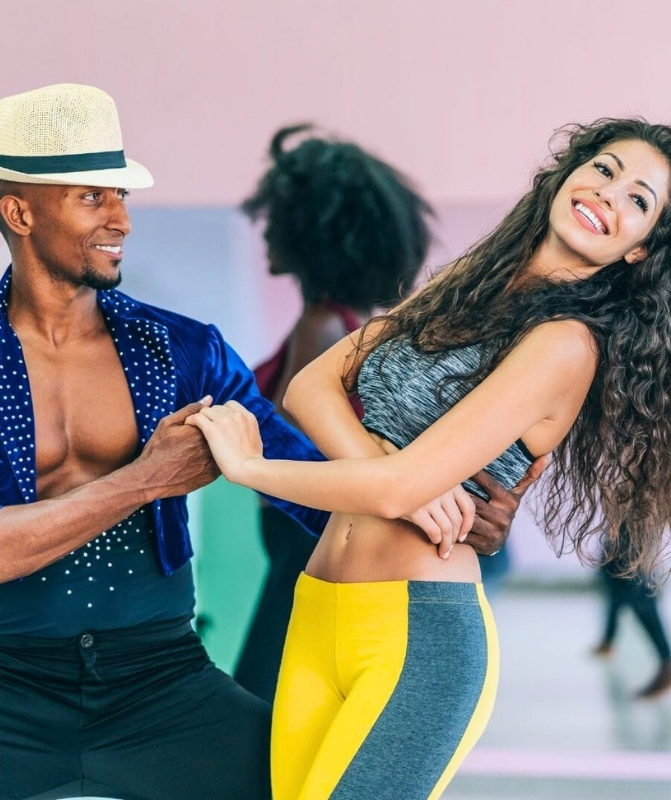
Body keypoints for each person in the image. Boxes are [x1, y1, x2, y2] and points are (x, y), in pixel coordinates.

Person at [0, 84, 522, 800]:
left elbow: (310, 489)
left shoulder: (182, 349)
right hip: (3, 689)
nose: (120, 217)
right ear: (20, 211)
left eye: (120, 194)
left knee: (297, 786)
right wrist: (144, 480)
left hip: (165, 687)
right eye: (93, 197)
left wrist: (436, 511)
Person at [186, 119, 671, 799]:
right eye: (605, 168)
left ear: (640, 250)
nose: (609, 192)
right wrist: (399, 478)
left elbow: (390, 487)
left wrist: (248, 467)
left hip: (416, 636)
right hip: (318, 606)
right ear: (569, 172)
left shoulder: (565, 344)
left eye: (640, 199)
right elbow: (312, 387)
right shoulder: (470, 278)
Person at [234, 124, 530, 701]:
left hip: (308, 553)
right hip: (310, 551)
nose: (265, 232)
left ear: (311, 232)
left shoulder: (325, 326)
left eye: (277, 219)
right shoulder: (346, 327)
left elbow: (304, 464)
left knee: (261, 727)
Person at [592, 527, 671, 699]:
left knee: (639, 598)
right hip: (628, 541)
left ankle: (667, 662)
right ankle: (608, 641)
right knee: (622, 593)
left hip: (635, 540)